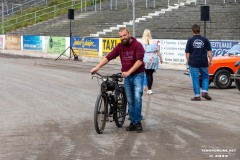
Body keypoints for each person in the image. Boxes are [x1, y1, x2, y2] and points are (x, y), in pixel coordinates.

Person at [91, 27, 145, 133]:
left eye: (124, 35)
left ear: (129, 34)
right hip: (127, 76)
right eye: (120, 36)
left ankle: (137, 122)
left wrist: (129, 72)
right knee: (130, 100)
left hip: (138, 75)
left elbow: (139, 61)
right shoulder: (120, 46)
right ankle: (133, 122)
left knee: (137, 98)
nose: (123, 38)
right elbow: (109, 57)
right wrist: (97, 67)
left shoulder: (137, 45)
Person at [185, 24, 213, 101]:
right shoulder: (205, 39)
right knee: (205, 77)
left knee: (195, 79)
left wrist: (188, 62)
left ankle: (197, 96)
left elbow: (187, 53)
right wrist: (210, 60)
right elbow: (209, 52)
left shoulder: (190, 40)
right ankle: (204, 92)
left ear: (192, 31)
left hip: (193, 62)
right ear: (199, 30)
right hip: (203, 61)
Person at [141, 29, 163, 94]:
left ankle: (145, 86)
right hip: (153, 59)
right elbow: (158, 52)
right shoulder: (154, 41)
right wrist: (161, 59)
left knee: (146, 74)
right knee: (150, 74)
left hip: (146, 59)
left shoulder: (142, 42)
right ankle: (150, 89)